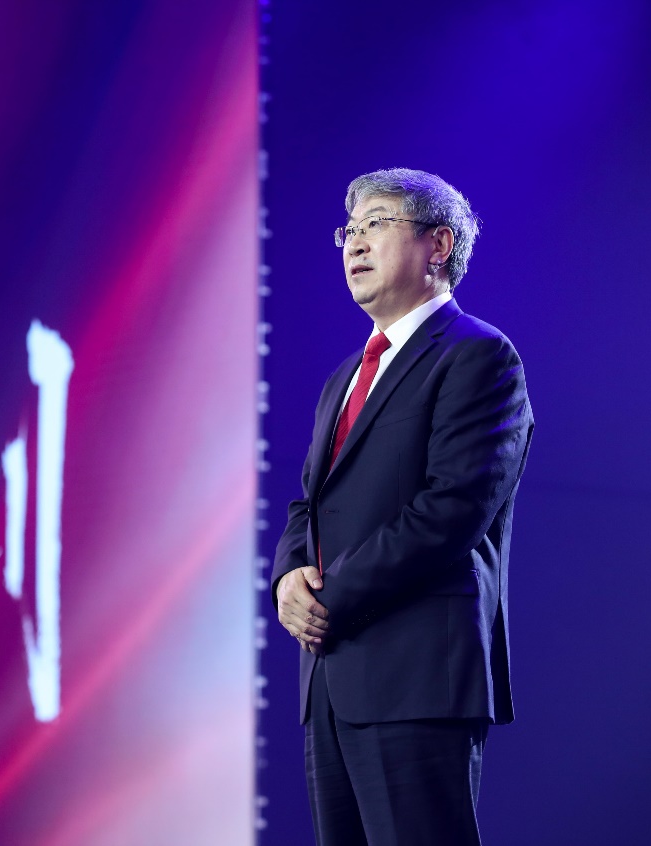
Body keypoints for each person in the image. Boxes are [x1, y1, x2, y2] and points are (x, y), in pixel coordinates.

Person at [271, 167, 534, 845]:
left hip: (416, 674)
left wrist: (327, 596)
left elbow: (451, 511)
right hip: (330, 679)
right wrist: (287, 579)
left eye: (377, 224)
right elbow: (310, 502)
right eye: (349, 230)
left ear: (437, 245)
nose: (355, 243)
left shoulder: (478, 356)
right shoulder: (344, 377)